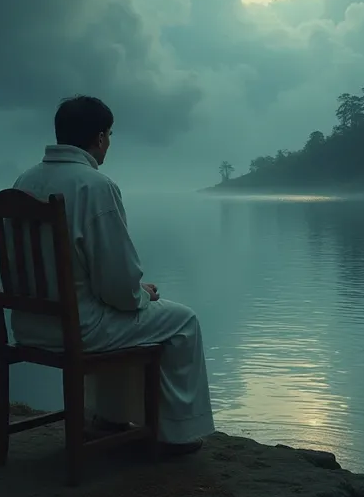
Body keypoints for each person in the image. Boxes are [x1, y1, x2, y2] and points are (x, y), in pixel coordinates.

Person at [11, 95, 215, 454]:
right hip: (77, 329)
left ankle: (108, 419)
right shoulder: (95, 186)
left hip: (28, 324)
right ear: (100, 137)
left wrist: (130, 293)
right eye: (110, 135)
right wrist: (141, 293)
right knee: (182, 321)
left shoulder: (24, 180)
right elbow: (119, 289)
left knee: (121, 312)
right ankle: (175, 434)